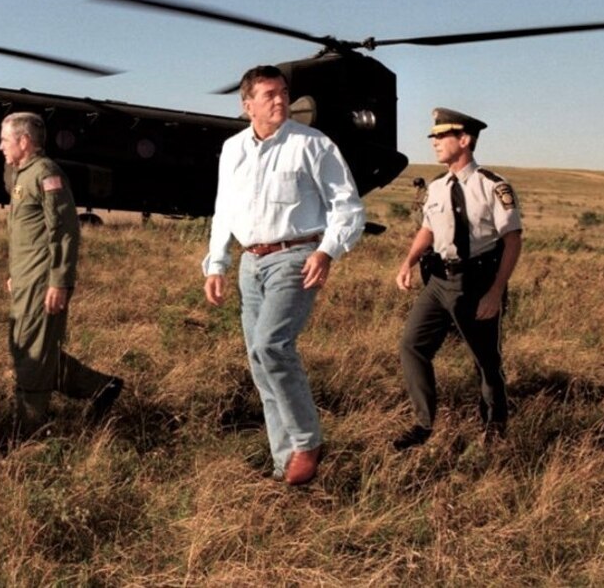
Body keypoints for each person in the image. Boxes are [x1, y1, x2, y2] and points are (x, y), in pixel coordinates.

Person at [203, 65, 365, 485]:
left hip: (295, 256)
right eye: (269, 94)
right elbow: (225, 211)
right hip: (249, 262)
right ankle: (285, 469)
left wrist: (327, 251)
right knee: (259, 362)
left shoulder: (313, 145)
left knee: (271, 346)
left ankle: (308, 442)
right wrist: (217, 263)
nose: (280, 101)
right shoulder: (233, 149)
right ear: (247, 105)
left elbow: (348, 206)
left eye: (283, 93)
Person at [392, 108, 523, 450]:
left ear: (463, 140)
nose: (434, 142)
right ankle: (424, 424)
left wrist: (495, 292)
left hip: (477, 282)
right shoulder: (436, 188)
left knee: (485, 361)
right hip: (437, 281)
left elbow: (512, 240)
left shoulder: (492, 186)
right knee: (412, 346)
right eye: (433, 136)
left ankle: (494, 431)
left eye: (441, 136)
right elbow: (428, 229)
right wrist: (409, 261)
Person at [0, 112, 123, 439]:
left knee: (31, 355)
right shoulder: (22, 176)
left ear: (23, 141)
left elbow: (65, 231)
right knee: (27, 348)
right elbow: (28, 233)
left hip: (43, 282)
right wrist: (15, 274)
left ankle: (27, 434)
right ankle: (101, 387)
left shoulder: (45, 174)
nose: (1, 147)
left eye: (5, 139)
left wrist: (59, 281)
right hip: (26, 280)